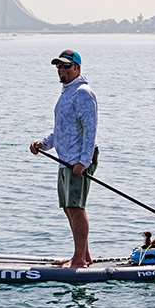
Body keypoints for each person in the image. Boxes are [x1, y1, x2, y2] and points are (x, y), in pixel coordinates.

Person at [30, 49, 98, 268]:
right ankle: (84, 256)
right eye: (58, 66)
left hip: (78, 161)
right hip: (65, 160)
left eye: (66, 66)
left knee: (76, 208)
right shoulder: (67, 92)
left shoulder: (83, 92)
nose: (61, 69)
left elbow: (90, 129)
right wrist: (43, 144)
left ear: (77, 68)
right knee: (69, 207)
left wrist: (84, 162)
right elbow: (62, 130)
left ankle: (79, 260)